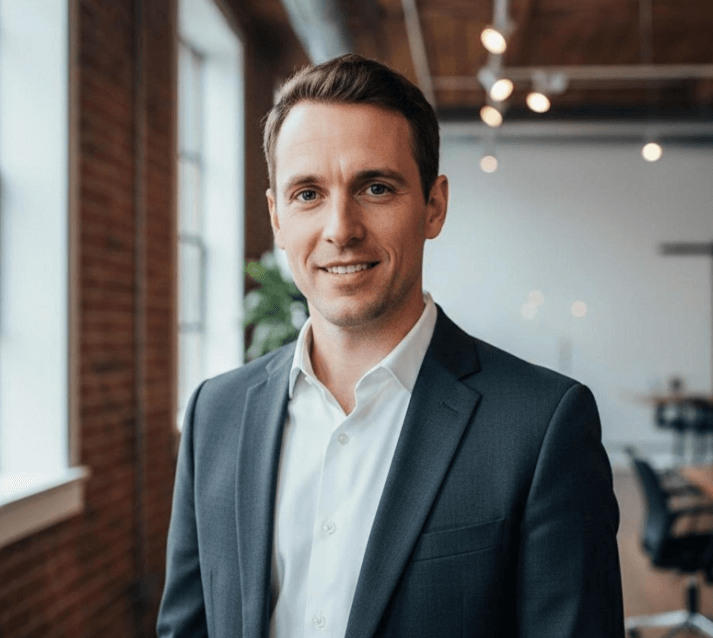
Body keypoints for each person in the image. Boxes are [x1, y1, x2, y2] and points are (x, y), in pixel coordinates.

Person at [158, 54, 624, 638]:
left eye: (375, 187)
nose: (340, 228)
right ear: (277, 216)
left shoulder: (540, 426)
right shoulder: (215, 415)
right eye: (307, 193)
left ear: (433, 205)